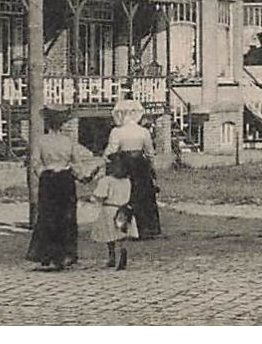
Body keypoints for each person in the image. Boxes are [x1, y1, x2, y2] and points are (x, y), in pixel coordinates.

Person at [25, 106, 97, 272]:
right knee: (67, 216)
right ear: (62, 124)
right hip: (65, 179)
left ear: (47, 124)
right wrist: (82, 176)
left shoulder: (41, 141)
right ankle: (65, 254)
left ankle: (46, 254)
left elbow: (35, 162)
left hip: (49, 179)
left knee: (47, 215)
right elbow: (76, 163)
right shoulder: (67, 141)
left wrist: (43, 173)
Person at [105, 97, 160, 238]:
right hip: (140, 165)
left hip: (124, 165)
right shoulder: (143, 132)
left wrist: (107, 164)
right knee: (143, 195)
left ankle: (124, 227)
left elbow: (111, 151)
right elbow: (149, 153)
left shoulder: (117, 132)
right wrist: (152, 168)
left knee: (125, 195)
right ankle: (146, 228)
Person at [90, 152, 138, 270]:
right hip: (124, 209)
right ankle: (123, 250)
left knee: (110, 236)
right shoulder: (127, 181)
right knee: (122, 234)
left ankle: (112, 257)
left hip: (110, 209)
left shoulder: (106, 180)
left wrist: (92, 198)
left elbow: (100, 195)